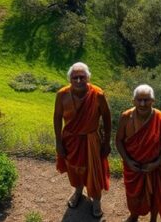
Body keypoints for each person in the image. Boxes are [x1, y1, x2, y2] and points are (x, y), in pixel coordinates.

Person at [54, 62, 111, 218]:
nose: (78, 80)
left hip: (92, 139)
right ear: (70, 79)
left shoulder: (97, 94)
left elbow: (107, 117)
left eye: (82, 77)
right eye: (75, 77)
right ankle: (78, 191)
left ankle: (97, 200)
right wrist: (58, 142)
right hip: (70, 139)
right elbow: (57, 117)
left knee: (94, 170)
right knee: (73, 168)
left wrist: (107, 142)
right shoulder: (62, 95)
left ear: (88, 78)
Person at [116, 84, 161, 222]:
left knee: (155, 195)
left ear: (153, 101)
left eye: (147, 100)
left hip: (155, 167)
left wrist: (156, 163)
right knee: (133, 195)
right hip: (133, 168)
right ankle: (134, 216)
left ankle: (153, 219)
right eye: (139, 100)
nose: (143, 104)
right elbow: (119, 141)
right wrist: (128, 161)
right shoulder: (126, 117)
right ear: (133, 101)